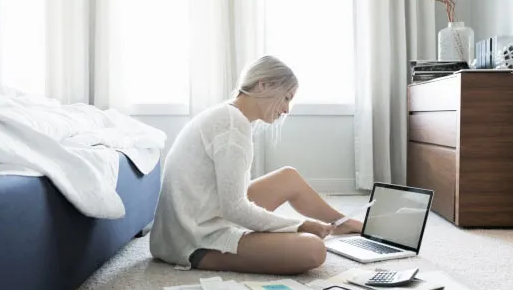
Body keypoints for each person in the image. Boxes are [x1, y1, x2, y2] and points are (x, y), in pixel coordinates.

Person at [148, 55, 363, 275]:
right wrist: (299, 225)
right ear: (264, 85)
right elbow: (235, 209)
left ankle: (342, 222)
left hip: (198, 216)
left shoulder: (227, 115)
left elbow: (230, 202)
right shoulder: (232, 126)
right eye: (286, 98)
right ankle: (203, 254)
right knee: (313, 249)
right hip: (193, 236)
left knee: (288, 177)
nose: (287, 109)